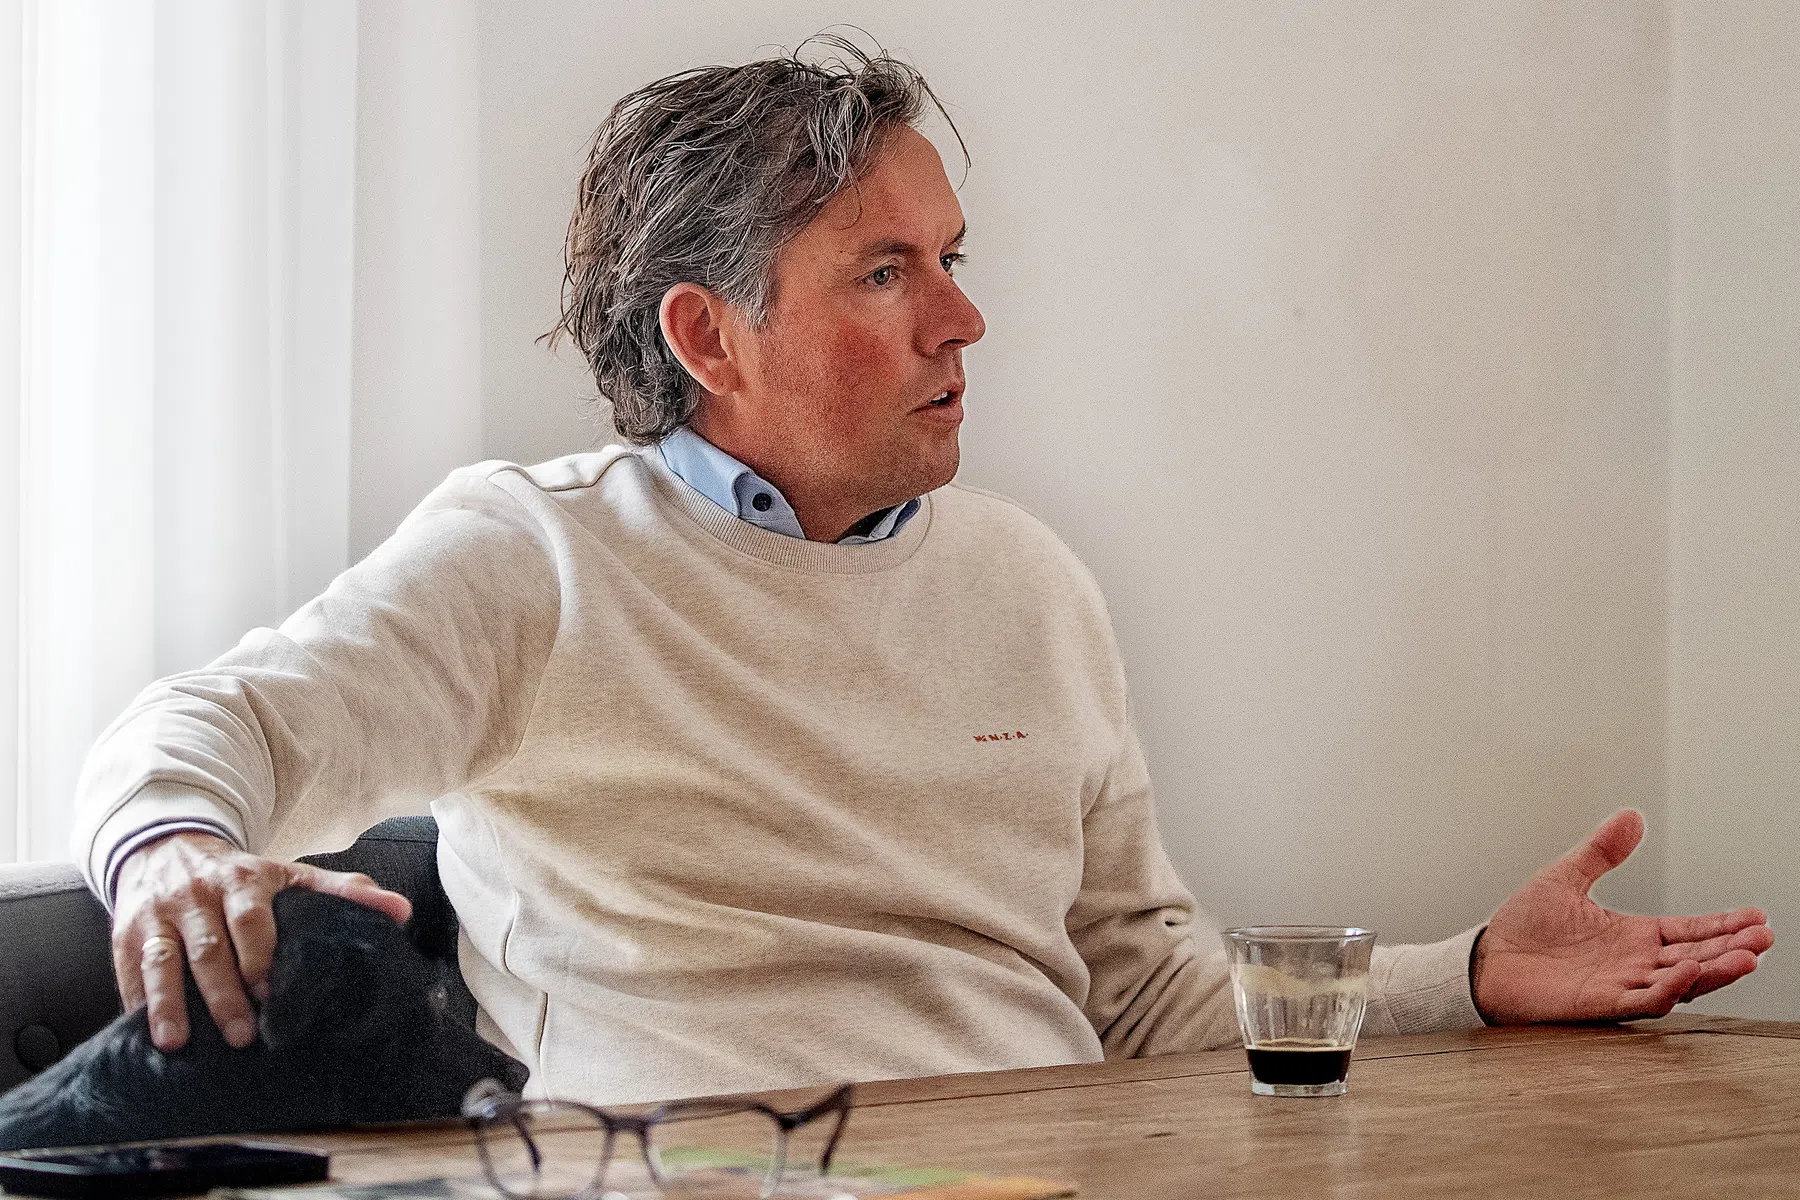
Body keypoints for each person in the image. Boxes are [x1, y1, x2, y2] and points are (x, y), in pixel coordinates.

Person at [72, 42, 1773, 1105]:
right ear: (709, 336)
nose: (964, 319)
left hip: (1068, 1164)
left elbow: (1152, 996)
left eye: (951, 259)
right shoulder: (536, 559)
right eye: (886, 273)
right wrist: (170, 853)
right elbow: (209, 728)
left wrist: (1463, 975)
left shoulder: (1031, 582)